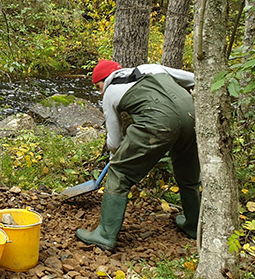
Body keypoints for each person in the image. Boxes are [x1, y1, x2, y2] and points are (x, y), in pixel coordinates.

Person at [76, 60, 200, 250]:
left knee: (119, 172)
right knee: (187, 173)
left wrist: (116, 156)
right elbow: (194, 79)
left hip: (160, 121)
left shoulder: (110, 93)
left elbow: (115, 142)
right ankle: (193, 225)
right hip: (191, 115)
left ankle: (104, 235)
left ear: (104, 80)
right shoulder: (151, 68)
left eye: (98, 86)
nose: (100, 91)